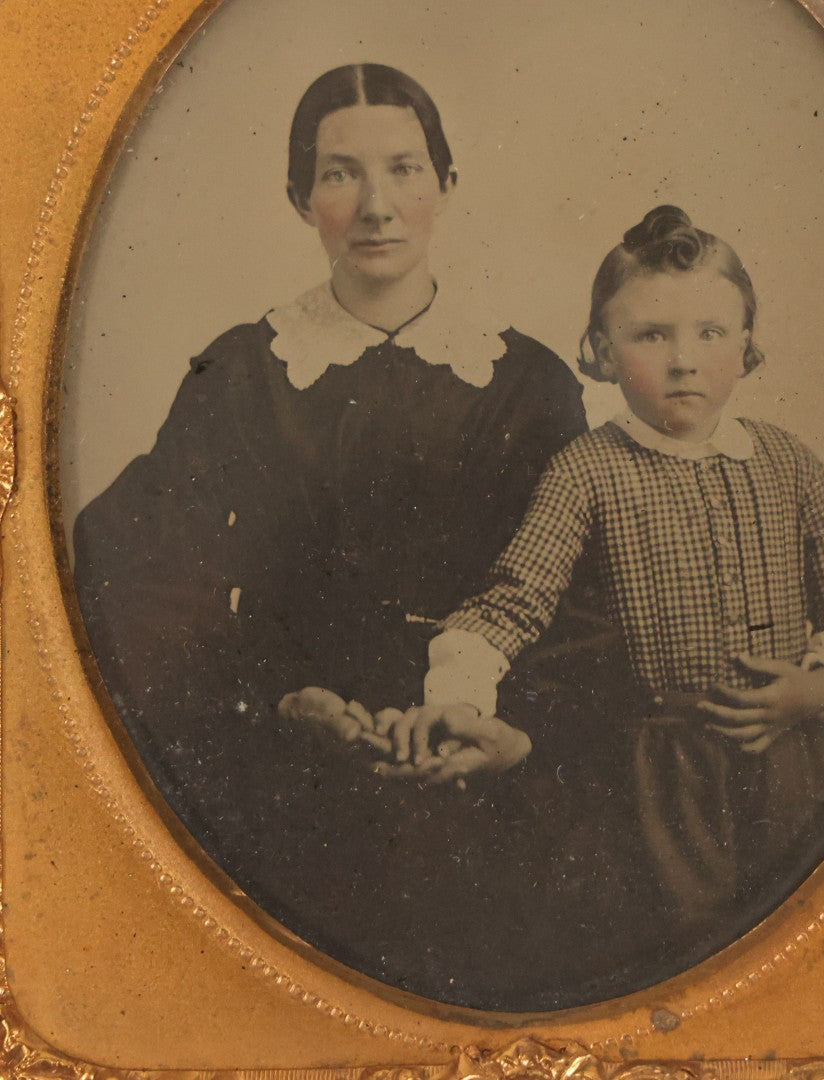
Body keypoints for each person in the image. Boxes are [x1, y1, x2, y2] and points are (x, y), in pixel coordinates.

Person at [72, 64, 591, 1009]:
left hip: (486, 767)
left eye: (404, 168)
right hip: (293, 772)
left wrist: (518, 734)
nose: (376, 206)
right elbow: (127, 562)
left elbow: (586, 596)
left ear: (446, 183)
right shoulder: (243, 369)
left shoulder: (528, 382)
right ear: (299, 197)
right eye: (341, 173)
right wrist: (270, 698)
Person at [421, 204, 824, 976]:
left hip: (793, 765)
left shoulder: (788, 464)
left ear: (745, 342)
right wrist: (459, 698)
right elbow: (512, 601)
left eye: (709, 332)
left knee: (805, 944)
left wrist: (820, 686)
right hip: (657, 782)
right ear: (602, 351)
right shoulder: (586, 471)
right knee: (682, 951)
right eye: (650, 335)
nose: (683, 361)